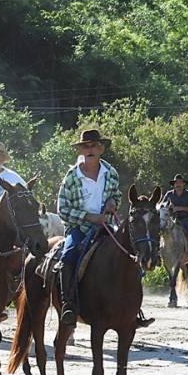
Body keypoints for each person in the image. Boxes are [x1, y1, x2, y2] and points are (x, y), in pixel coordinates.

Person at [55, 129, 122, 326]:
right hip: (79, 229)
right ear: (80, 150)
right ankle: (68, 304)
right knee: (68, 256)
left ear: (101, 149)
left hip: (107, 228)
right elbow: (63, 210)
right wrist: (89, 217)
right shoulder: (71, 177)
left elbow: (116, 196)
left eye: (93, 146)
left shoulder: (111, 173)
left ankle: (131, 307)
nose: (89, 149)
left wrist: (112, 203)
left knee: (128, 252)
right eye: (85, 146)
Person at [161, 173, 188, 264]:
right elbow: (161, 207)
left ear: (184, 184)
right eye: (176, 183)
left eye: (180, 182)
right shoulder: (168, 195)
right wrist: (169, 206)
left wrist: (180, 208)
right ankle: (157, 256)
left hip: (185, 219)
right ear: (174, 184)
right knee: (158, 231)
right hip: (171, 220)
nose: (178, 184)